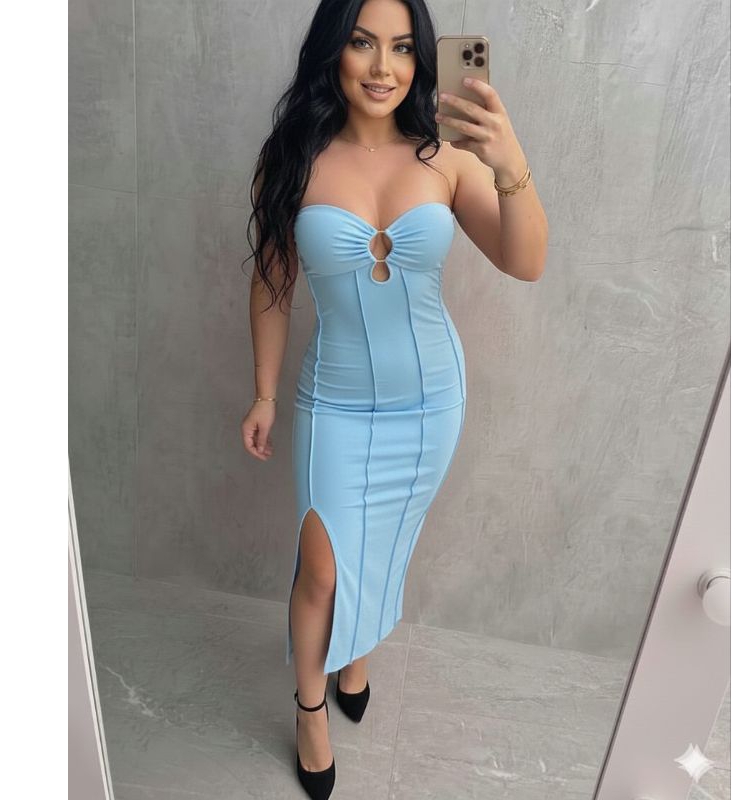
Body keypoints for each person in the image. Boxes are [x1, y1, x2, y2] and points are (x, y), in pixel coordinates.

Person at [240, 0, 547, 796]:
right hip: (333, 403)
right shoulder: (293, 158)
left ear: (422, 60)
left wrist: (508, 160)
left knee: (387, 543)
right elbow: (273, 282)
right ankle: (311, 709)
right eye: (363, 43)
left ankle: (357, 657)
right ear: (333, 52)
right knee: (320, 567)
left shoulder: (448, 156)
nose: (384, 67)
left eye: (404, 48)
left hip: (432, 403)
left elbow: (526, 262)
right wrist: (264, 393)